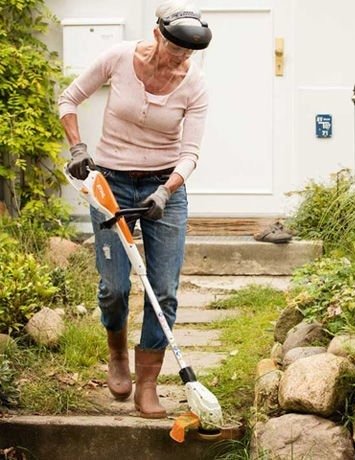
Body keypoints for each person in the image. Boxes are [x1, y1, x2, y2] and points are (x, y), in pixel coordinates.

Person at [58, 0, 212, 419]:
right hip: (111, 184)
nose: (181, 59)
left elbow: (190, 153)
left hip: (164, 188)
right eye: (175, 49)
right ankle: (117, 356)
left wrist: (166, 191)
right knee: (114, 287)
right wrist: (77, 148)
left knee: (163, 290)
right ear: (158, 34)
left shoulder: (194, 84)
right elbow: (68, 100)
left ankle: (148, 384)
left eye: (188, 53)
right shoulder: (118, 58)